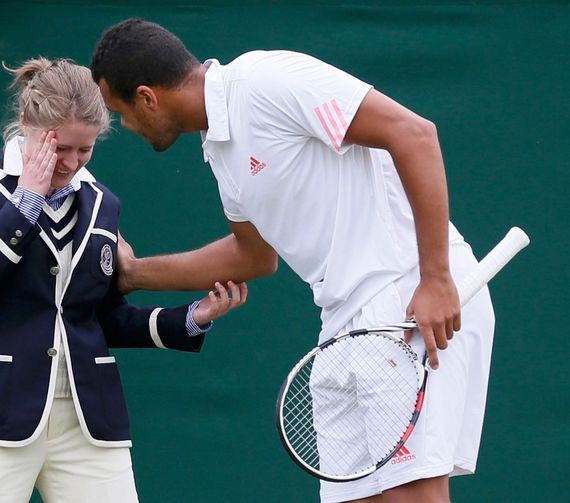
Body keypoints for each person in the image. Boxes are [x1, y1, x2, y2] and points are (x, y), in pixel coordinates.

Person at [90, 18, 496, 503]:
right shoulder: (219, 149)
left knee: (414, 496)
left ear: (147, 97)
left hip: (406, 295)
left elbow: (414, 134)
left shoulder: (265, 82)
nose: (126, 127)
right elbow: (253, 256)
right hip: (343, 325)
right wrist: (133, 275)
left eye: (121, 113)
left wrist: (434, 279)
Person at [0, 56, 248, 503]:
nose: (72, 162)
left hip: (89, 423)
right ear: (25, 122)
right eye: (60, 148)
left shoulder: (103, 202)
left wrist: (190, 317)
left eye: (85, 149)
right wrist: (26, 204)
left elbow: (99, 318)